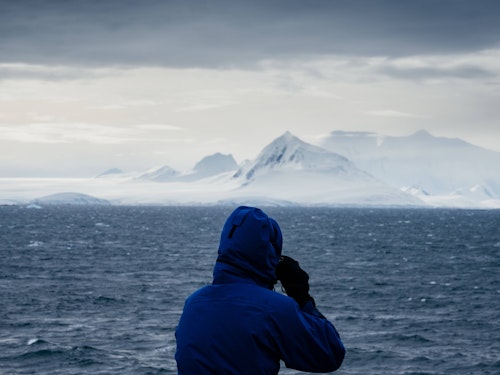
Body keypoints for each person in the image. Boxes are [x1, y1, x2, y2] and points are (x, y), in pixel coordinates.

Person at [175, 206, 345, 374]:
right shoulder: (273, 308)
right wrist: (301, 296)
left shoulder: (193, 303)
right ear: (270, 252)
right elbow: (330, 354)